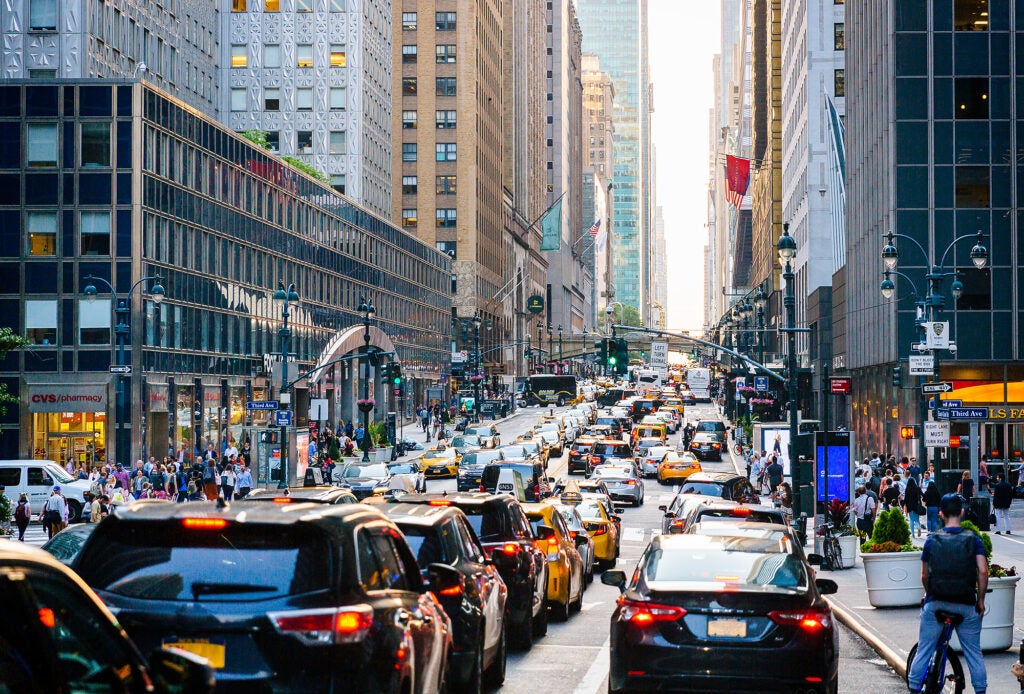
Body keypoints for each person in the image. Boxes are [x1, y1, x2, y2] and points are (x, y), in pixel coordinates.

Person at [907, 494, 987, 694]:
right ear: (962, 512)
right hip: (965, 603)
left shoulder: (932, 541)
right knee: (974, 654)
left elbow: (924, 575)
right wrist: (981, 600)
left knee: (924, 649)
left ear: (941, 514)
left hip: (937, 603)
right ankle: (980, 690)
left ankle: (914, 687)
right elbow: (983, 571)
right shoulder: (973, 539)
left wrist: (928, 595)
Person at [902, 470, 924, 538]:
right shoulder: (917, 488)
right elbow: (922, 494)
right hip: (916, 505)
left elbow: (905, 498)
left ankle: (913, 534)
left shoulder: (907, 489)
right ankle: (918, 526)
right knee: (917, 519)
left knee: (911, 519)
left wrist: (904, 504)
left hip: (910, 505)